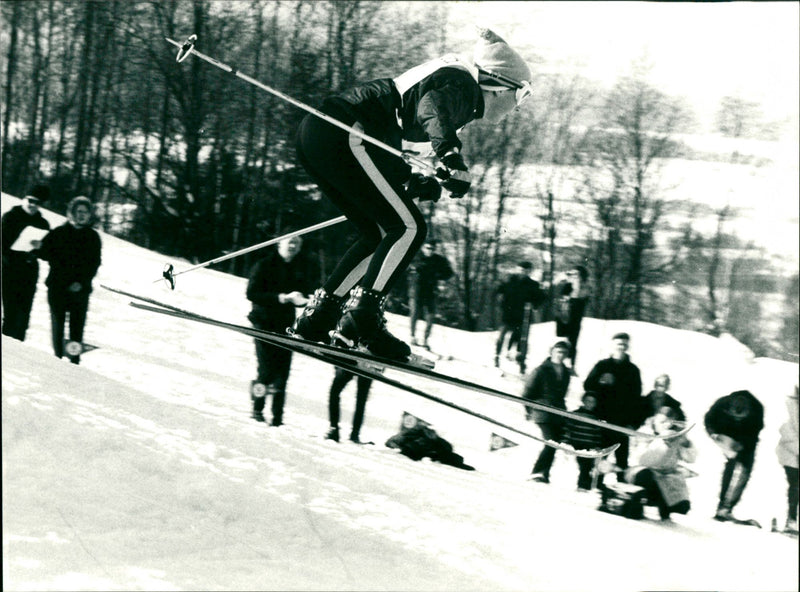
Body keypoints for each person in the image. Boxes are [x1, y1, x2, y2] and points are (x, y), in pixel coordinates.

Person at [290, 28, 532, 363]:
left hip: (323, 137)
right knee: (408, 228)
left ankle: (319, 317)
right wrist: (449, 154)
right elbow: (431, 108)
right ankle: (362, 319)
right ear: (497, 84)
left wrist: (412, 179)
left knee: (379, 232)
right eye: (520, 96)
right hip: (344, 132)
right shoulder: (463, 85)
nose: (516, 108)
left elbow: (390, 140)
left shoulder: (457, 90)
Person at [246, 234, 313, 426]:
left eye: (297, 243)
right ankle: (257, 409)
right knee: (265, 371)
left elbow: (302, 294)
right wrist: (282, 298)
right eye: (290, 241)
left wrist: (306, 301)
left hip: (285, 326)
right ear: (279, 243)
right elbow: (252, 293)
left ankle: (277, 418)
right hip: (263, 323)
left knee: (282, 373)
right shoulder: (264, 265)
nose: (293, 246)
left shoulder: (298, 268)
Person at [36, 196, 102, 364]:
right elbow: (45, 254)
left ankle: (74, 363)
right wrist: (38, 247)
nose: (82, 216)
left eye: (86, 213)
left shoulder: (93, 237)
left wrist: (80, 282)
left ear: (89, 215)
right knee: (57, 326)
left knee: (76, 329)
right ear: (72, 213)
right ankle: (57, 360)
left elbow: (94, 264)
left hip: (80, 290)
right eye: (79, 212)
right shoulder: (58, 232)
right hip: (57, 287)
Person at [583, 332, 643, 479]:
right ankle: (591, 484)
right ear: (613, 345)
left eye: (624, 344)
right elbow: (587, 385)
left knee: (622, 459)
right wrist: (601, 381)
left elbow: (637, 398)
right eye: (618, 343)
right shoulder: (602, 365)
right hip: (602, 418)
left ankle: (621, 490)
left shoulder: (633, 370)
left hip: (622, 420)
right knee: (600, 454)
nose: (621, 346)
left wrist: (633, 423)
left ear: (628, 346)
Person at [624, 406, 697, 521]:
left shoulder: (675, 436)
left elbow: (691, 459)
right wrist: (661, 443)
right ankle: (639, 502)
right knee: (646, 476)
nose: (665, 425)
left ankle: (666, 507)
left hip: (665, 475)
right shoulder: (645, 432)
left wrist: (686, 444)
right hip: (640, 472)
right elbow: (642, 460)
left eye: (669, 422)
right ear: (655, 420)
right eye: (662, 422)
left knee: (682, 505)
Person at [704, 389, 764, 522]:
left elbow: (755, 432)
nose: (737, 418)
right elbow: (708, 420)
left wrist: (742, 446)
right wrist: (714, 434)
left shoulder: (757, 410)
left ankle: (728, 507)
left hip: (746, 439)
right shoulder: (721, 404)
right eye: (735, 416)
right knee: (730, 468)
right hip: (726, 433)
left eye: (740, 417)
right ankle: (722, 505)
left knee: (744, 472)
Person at [1, 185, 51, 341]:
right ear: (25, 198)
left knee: (23, 317)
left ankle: (19, 350)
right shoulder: (11, 216)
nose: (33, 205)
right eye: (31, 200)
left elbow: (47, 253)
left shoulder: (42, 223)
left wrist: (40, 248)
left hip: (28, 273)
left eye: (38, 203)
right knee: (10, 315)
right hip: (9, 270)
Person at [522, 340, 572, 483]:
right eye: (558, 352)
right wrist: (530, 410)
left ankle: (544, 473)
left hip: (558, 413)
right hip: (542, 412)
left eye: (564, 353)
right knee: (551, 441)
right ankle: (537, 472)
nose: (560, 355)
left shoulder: (566, 372)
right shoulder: (541, 370)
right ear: (552, 352)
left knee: (555, 443)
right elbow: (527, 393)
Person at [494, 261, 545, 367]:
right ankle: (496, 355)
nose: (524, 273)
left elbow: (541, 298)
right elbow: (498, 290)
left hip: (523, 316)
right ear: (517, 269)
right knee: (501, 336)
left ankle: (521, 360)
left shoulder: (533, 284)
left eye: (527, 271)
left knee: (523, 339)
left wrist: (534, 305)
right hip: (508, 314)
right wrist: (500, 298)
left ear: (530, 272)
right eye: (522, 270)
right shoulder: (509, 280)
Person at [408, 238, 454, 350]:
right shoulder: (416, 257)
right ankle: (413, 336)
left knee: (430, 316)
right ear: (423, 247)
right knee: (414, 314)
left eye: (433, 249)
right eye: (428, 248)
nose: (430, 251)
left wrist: (439, 277)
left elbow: (449, 273)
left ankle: (425, 339)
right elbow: (406, 268)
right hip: (417, 290)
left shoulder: (438, 260)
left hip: (430, 291)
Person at [564, 391, 604, 491]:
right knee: (584, 464)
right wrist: (565, 442)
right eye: (588, 401)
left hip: (589, 445)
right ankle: (582, 485)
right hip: (577, 443)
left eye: (593, 402)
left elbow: (597, 433)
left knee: (593, 464)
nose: (590, 404)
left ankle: (592, 484)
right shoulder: (575, 414)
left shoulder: (596, 418)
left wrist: (598, 445)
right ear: (583, 401)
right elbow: (567, 429)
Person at [554, 264, 589, 373]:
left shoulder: (585, 287)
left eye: (576, 274)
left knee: (573, 342)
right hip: (564, 316)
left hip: (576, 318)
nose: (574, 276)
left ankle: (571, 365)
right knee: (561, 340)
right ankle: (558, 362)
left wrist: (576, 286)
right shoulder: (567, 285)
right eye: (572, 274)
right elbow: (560, 297)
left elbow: (582, 297)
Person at [326, 368, 373, 444]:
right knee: (361, 399)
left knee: (335, 391)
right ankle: (354, 434)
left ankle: (334, 429)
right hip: (367, 363)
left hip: (354, 361)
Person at [776, 385, 798, 535]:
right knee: (796, 485)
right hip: (790, 454)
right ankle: (791, 520)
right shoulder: (789, 407)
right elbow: (786, 433)